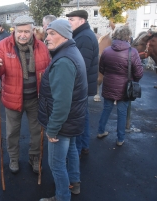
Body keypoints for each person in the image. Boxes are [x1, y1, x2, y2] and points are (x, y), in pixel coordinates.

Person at [0, 15, 50, 174]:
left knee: (37, 132)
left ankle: (34, 157)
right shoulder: (3, 45)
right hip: (12, 99)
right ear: (14, 31)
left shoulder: (42, 47)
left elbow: (50, 72)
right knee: (12, 132)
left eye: (27, 31)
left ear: (33, 31)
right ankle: (13, 158)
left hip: (36, 99)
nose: (23, 35)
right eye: (20, 31)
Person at [38, 19, 87, 201]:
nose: (47, 38)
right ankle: (74, 184)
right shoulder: (71, 51)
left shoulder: (64, 60)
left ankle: (62, 196)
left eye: (52, 34)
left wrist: (52, 128)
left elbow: (62, 102)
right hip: (73, 118)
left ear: (64, 35)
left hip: (63, 122)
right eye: (47, 33)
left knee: (56, 163)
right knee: (72, 149)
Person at [97, 25, 143, 146]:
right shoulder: (132, 52)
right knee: (122, 112)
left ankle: (100, 131)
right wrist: (134, 80)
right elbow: (139, 72)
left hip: (108, 84)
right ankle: (120, 139)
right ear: (128, 36)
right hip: (125, 88)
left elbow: (101, 68)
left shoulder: (106, 51)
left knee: (106, 109)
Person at [66, 10, 99, 157]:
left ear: (82, 21)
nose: (69, 22)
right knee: (83, 115)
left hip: (80, 85)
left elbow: (81, 66)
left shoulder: (84, 37)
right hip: (84, 84)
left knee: (79, 118)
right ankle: (84, 146)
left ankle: (78, 150)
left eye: (72, 19)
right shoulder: (82, 34)